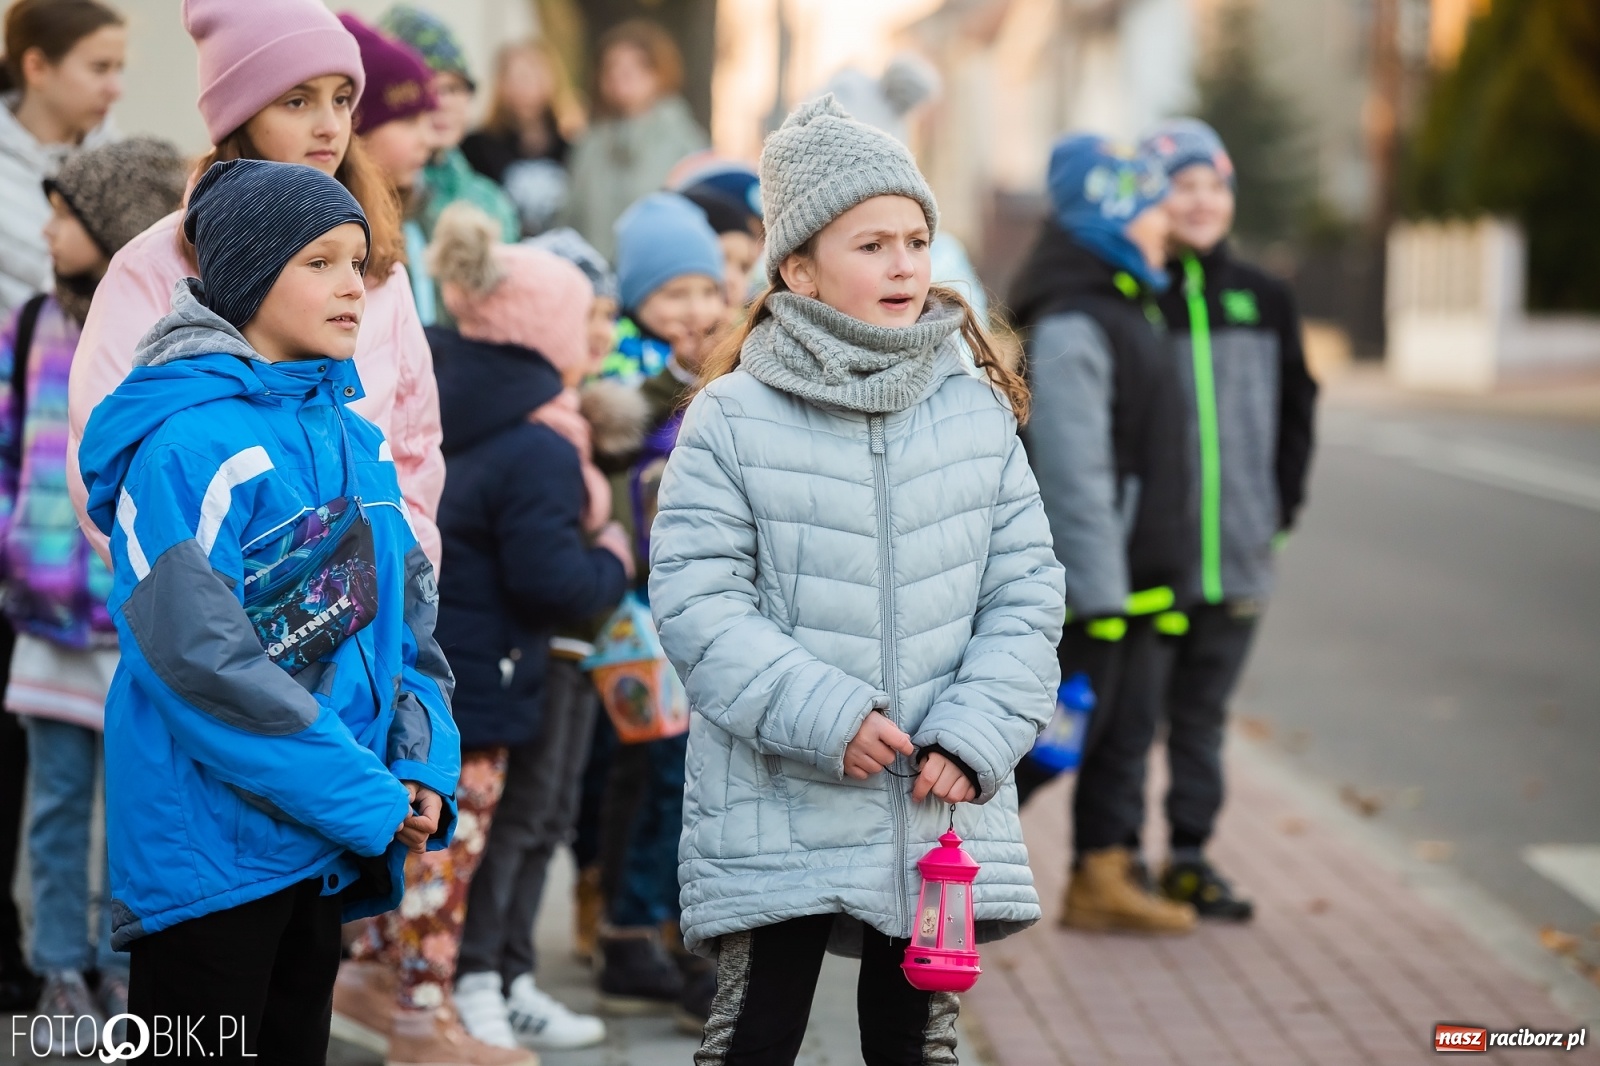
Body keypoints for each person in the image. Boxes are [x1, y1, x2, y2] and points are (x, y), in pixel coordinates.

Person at [648, 94, 1065, 1064]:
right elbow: (699, 602)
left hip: (935, 797)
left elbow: (1026, 592)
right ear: (797, 266)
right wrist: (827, 714)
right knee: (755, 1031)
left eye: (915, 239)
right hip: (782, 788)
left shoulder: (973, 412)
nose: (905, 265)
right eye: (870, 244)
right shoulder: (731, 417)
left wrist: (977, 731)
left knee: (916, 1040)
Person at [75, 157, 460, 1057]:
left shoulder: (355, 440)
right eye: (318, 262)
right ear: (248, 276)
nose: (352, 287)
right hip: (209, 859)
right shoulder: (186, 446)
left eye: (358, 263)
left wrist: (420, 765)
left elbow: (408, 633)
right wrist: (362, 794)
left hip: (322, 842)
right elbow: (203, 665)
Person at [66, 0, 445, 571]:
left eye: (342, 99)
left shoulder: (378, 265)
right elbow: (106, 459)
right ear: (239, 116)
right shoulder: (155, 264)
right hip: (215, 619)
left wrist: (400, 584)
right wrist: (227, 613)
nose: (329, 125)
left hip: (365, 617)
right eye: (298, 100)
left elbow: (413, 449)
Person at [409, 204, 628, 1053]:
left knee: (489, 833)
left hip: (466, 657)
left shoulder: (461, 407)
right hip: (498, 664)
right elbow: (551, 580)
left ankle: (490, 977)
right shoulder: (536, 442)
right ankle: (471, 985)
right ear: (547, 330)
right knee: (487, 834)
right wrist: (612, 554)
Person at [1, 136, 182, 1049]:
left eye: (64, 214)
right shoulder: (31, 323)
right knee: (57, 801)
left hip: (128, 618)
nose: (46, 230)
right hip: (44, 615)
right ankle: (58, 966)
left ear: (113, 227)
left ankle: (122, 968)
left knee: (136, 802)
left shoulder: (154, 339)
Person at [1007, 134, 1196, 934]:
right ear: (1112, 212)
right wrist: (1098, 597)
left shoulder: (1131, 299)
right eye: (1153, 201)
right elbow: (1075, 469)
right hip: (1098, 588)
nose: (1168, 216)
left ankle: (1100, 878)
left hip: (1145, 576)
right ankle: (918, 868)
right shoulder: (1076, 315)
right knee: (1045, 746)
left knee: (1123, 736)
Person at [1139, 118, 1317, 921]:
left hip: (1240, 554)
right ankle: (1102, 860)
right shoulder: (1142, 294)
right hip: (1157, 559)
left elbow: (1298, 409)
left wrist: (1279, 511)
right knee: (1128, 717)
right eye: (1184, 184)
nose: (1202, 201)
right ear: (1155, 196)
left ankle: (1187, 856)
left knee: (1203, 719)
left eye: (1215, 185)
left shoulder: (1265, 296)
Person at [589, 192, 726, 1026]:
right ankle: (640, 934)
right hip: (641, 613)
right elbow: (610, 463)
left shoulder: (728, 367)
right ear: (637, 299)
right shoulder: (621, 377)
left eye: (706, 291)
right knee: (654, 777)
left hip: (706, 607)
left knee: (682, 777)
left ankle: (659, 934)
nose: (696, 311)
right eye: (673, 294)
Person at [0, 0, 122, 321]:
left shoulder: (123, 170)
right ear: (36, 67)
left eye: (118, 69)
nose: (115, 89)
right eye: (100, 68)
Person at [562, 21, 706, 259]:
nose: (622, 75)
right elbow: (570, 217)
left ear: (659, 72)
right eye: (612, 67)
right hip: (594, 281)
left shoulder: (683, 140)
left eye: (636, 66)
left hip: (660, 276)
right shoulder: (589, 144)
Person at [377, 5, 518, 244]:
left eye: (453, 88)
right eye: (428, 87)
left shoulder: (491, 202)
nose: (441, 103)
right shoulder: (367, 197)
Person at [339, 14, 441, 327]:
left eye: (427, 120)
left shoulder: (413, 219)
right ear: (356, 127)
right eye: (409, 122)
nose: (428, 139)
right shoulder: (339, 231)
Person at [460, 39, 580, 238]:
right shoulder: (476, 147)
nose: (523, 87)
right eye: (515, 78)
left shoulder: (573, 148)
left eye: (531, 76)